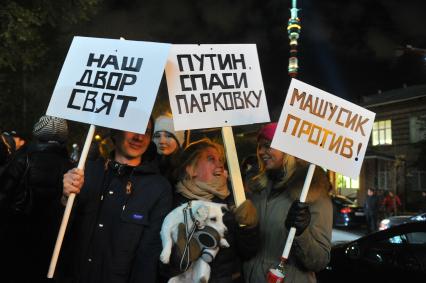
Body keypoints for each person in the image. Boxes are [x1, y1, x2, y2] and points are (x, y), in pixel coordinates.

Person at [61, 118, 172, 283]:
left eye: (146, 131)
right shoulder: (85, 172)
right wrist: (64, 198)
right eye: (133, 127)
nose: (139, 137)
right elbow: (58, 233)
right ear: (115, 131)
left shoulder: (158, 188)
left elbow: (148, 258)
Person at [243, 122, 332, 283]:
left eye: (268, 146)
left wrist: (301, 234)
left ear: (287, 149)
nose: (261, 152)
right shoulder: (257, 189)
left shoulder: (312, 191)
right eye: (259, 146)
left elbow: (320, 260)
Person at [161, 138, 259, 282]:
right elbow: (161, 266)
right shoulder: (173, 204)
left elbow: (248, 253)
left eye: (220, 160)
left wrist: (249, 228)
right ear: (191, 169)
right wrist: (179, 256)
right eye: (211, 159)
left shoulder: (233, 201)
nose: (219, 164)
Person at [0, 115, 72, 283]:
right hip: (48, 239)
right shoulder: (70, 166)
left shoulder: (22, 158)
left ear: (37, 132)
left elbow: (4, 195)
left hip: (15, 231)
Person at [152, 113, 185, 185]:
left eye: (168, 136)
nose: (161, 141)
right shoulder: (144, 167)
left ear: (178, 141)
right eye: (157, 136)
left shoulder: (187, 170)